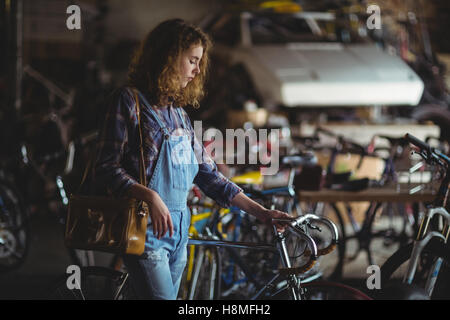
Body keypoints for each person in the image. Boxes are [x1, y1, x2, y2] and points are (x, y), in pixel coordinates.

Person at [92, 18, 291, 300]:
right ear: (169, 58)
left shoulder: (179, 115)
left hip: (179, 234)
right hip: (144, 231)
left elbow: (209, 176)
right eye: (192, 60)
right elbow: (105, 167)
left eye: (200, 62)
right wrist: (150, 196)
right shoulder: (128, 101)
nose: (198, 70)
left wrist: (262, 213)